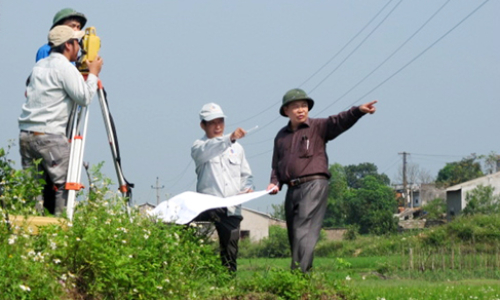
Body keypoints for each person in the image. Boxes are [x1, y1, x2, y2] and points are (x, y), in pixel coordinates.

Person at [267, 88, 377, 273]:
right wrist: (274, 183)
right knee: (295, 234)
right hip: (291, 189)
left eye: (304, 106)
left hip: (314, 185)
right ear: (286, 111)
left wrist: (358, 111)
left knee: (304, 229)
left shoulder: (318, 127)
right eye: (296, 107)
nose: (301, 110)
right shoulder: (281, 136)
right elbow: (276, 165)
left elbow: (339, 121)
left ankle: (297, 277)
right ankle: (303, 278)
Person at [19, 25, 103, 216]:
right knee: (66, 186)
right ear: (68, 45)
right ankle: (60, 233)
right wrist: (93, 74)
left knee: (33, 191)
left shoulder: (39, 66)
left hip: (26, 134)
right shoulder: (65, 68)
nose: (80, 47)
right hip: (50, 136)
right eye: (77, 42)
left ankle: (30, 233)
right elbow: (84, 97)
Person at [191, 103, 254, 272]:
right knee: (190, 237)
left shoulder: (237, 148)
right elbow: (211, 148)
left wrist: (247, 189)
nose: (218, 126)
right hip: (208, 205)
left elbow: (246, 175)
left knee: (230, 252)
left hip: (231, 207)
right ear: (203, 125)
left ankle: (227, 287)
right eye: (212, 122)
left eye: (220, 121)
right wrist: (229, 138)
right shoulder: (199, 147)